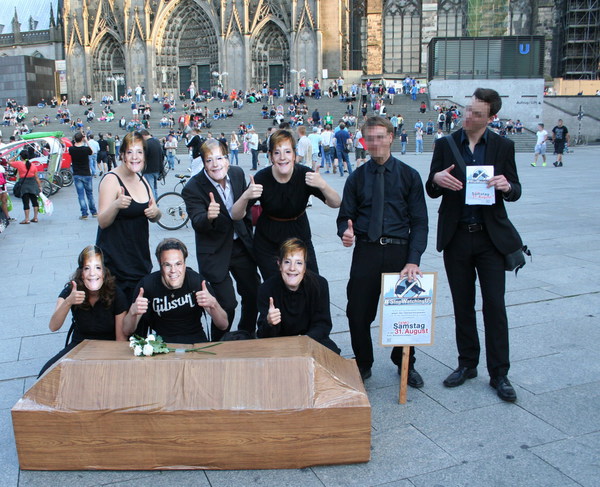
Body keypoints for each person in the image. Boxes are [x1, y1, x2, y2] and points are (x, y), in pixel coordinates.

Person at [426, 88, 522, 402]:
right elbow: (431, 186)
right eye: (468, 110)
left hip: (489, 238)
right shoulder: (446, 144)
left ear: (491, 117)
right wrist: (437, 180)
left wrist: (507, 186)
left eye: (477, 114)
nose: (468, 117)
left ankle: (500, 374)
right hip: (456, 236)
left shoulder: (502, 146)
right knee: (462, 305)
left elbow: (515, 188)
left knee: (495, 305)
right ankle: (467, 363)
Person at [337, 116, 428, 384]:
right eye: (369, 138)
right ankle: (363, 362)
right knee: (357, 311)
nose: (374, 143)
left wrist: (413, 260)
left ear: (391, 137)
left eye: (379, 137)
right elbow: (345, 216)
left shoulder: (409, 176)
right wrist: (345, 230)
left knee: (405, 313)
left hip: (400, 254)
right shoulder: (356, 178)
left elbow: (420, 222)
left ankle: (404, 363)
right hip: (366, 251)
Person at [232, 129, 341, 280]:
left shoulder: (305, 174)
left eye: (288, 152)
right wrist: (246, 196)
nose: (282, 157)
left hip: (299, 235)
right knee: (275, 287)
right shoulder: (262, 178)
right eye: (277, 153)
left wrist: (323, 184)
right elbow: (236, 214)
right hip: (268, 240)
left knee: (312, 282)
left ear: (295, 155)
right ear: (270, 156)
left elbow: (336, 202)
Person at [182, 139, 261, 340]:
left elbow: (244, 207)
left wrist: (251, 199)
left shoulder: (236, 173)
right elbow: (197, 221)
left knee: (253, 292)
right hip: (214, 251)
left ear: (227, 158)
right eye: (209, 160)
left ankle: (246, 332)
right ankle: (219, 341)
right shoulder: (192, 187)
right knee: (226, 303)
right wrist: (209, 216)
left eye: (219, 158)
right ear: (203, 163)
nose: (215, 164)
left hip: (240, 245)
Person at [38, 245, 128, 377]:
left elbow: (121, 339)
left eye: (97, 268)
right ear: (81, 273)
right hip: (80, 344)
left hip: (107, 346)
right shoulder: (71, 290)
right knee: (46, 374)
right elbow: (53, 326)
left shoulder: (116, 293)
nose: (92, 273)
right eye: (87, 268)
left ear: (104, 272)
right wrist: (68, 301)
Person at [96, 131, 161, 306]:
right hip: (117, 265)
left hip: (139, 260)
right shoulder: (111, 179)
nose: (135, 157)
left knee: (139, 316)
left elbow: (154, 214)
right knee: (121, 319)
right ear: (122, 155)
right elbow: (102, 221)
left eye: (139, 152)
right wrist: (116, 205)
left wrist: (156, 213)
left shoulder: (141, 179)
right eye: (130, 152)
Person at [123, 238, 228, 343]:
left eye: (178, 264)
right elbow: (127, 331)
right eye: (167, 265)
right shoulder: (147, 285)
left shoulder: (197, 282)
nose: (173, 270)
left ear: (184, 264)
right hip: (161, 344)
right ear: (160, 265)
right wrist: (133, 312)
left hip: (195, 341)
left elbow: (223, 325)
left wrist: (213, 304)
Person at [257, 238, 340, 353]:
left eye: (299, 263)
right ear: (279, 264)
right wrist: (269, 323)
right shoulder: (266, 289)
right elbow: (262, 336)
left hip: (311, 340)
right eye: (287, 262)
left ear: (305, 267)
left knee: (332, 355)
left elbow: (322, 325)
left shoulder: (319, 285)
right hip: (280, 344)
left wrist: (303, 341)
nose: (292, 268)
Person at [69, 132, 98, 220]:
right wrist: (86, 141)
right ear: (82, 139)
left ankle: (84, 213)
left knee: (81, 195)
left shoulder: (71, 149)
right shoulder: (85, 149)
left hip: (77, 174)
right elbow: (92, 151)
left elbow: (73, 146)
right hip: (86, 173)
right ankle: (94, 212)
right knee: (90, 194)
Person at [9, 150, 43, 224]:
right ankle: (35, 217)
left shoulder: (19, 163)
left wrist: (16, 156)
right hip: (33, 184)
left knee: (25, 202)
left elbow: (9, 162)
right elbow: (37, 178)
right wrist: (40, 186)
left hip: (24, 185)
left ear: (21, 156)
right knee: (34, 201)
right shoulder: (33, 165)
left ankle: (27, 219)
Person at [140, 129, 163, 200]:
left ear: (143, 136)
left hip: (148, 169)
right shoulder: (156, 141)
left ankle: (153, 204)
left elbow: (143, 157)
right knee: (154, 188)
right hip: (157, 169)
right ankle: (156, 202)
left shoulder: (146, 144)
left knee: (149, 188)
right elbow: (162, 155)